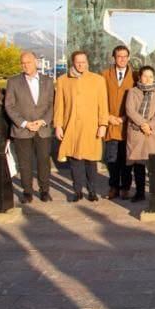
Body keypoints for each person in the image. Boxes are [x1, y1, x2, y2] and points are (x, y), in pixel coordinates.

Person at [54, 51, 109, 202]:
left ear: (87, 62)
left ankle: (92, 191)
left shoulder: (97, 80)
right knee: (75, 161)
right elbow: (59, 106)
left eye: (83, 62)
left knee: (91, 161)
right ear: (73, 62)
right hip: (71, 126)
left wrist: (103, 124)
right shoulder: (63, 80)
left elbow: (103, 104)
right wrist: (58, 125)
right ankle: (77, 191)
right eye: (78, 62)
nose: (81, 65)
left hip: (91, 127)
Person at [5, 51, 55, 203]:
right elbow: (10, 106)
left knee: (43, 161)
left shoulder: (47, 81)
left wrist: (43, 121)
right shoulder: (13, 82)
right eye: (23, 63)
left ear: (36, 63)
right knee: (24, 162)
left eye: (29, 62)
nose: (25, 65)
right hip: (22, 130)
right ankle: (27, 191)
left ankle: (44, 190)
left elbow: (52, 104)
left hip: (43, 129)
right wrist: (25, 123)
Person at [124, 66, 155, 202]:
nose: (147, 79)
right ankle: (140, 192)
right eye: (145, 76)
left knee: (154, 163)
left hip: (154, 132)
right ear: (139, 77)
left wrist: (150, 125)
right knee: (138, 163)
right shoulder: (132, 92)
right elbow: (130, 110)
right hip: (137, 131)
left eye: (150, 76)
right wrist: (143, 124)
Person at [101, 45, 137, 200]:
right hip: (110, 123)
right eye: (119, 56)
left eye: (124, 56)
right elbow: (99, 99)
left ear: (128, 58)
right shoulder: (104, 75)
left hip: (128, 123)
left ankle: (125, 187)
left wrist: (125, 117)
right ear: (114, 58)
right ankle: (113, 186)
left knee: (126, 159)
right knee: (111, 158)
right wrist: (107, 116)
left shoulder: (135, 76)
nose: (122, 59)